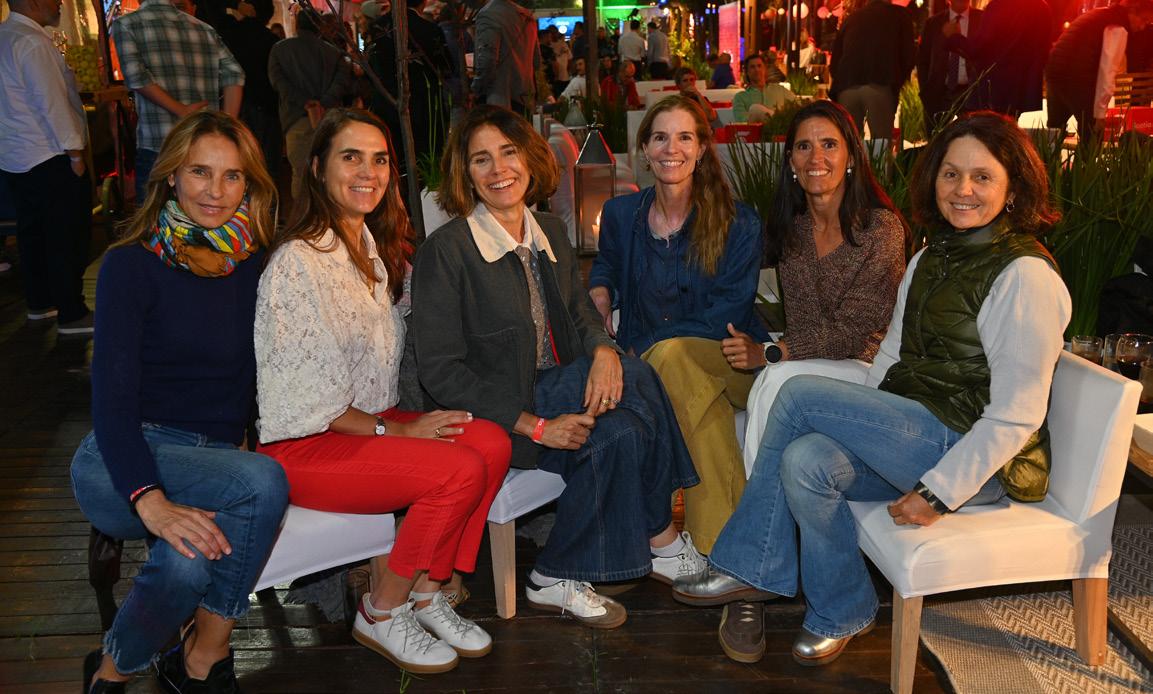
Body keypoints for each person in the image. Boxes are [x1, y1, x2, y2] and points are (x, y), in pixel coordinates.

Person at [673, 111, 1071, 669]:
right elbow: (890, 359)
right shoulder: (931, 258)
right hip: (912, 431)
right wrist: (863, 426)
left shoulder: (1024, 276)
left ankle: (753, 565)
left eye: (982, 177)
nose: (963, 189)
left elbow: (1015, 417)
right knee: (806, 459)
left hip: (973, 461)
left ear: (1014, 188)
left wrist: (937, 494)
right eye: (951, 174)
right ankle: (842, 610)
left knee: (796, 392)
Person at [411, 105, 702, 630]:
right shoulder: (447, 251)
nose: (499, 169)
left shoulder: (547, 230)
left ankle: (551, 576)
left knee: (619, 433)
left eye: (509, 152)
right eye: (481, 159)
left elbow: (581, 312)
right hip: (499, 414)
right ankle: (661, 535)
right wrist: (534, 425)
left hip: (558, 388)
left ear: (529, 158)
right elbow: (441, 373)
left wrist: (604, 351)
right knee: (641, 374)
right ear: (466, 173)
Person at [254, 109, 511, 674]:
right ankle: (381, 610)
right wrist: (398, 429)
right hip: (306, 444)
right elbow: (313, 402)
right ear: (318, 168)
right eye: (351, 157)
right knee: (457, 470)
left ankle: (427, 593)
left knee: (490, 441)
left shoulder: (371, 246)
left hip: (369, 422)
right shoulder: (298, 262)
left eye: (379, 160)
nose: (367, 172)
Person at [70, 111, 288, 693]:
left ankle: (120, 671)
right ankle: (204, 658)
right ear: (170, 175)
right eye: (199, 172)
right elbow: (111, 403)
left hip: (213, 465)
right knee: (264, 481)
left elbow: (256, 379)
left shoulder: (255, 265)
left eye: (232, 176)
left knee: (188, 562)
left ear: (249, 185)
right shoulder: (130, 264)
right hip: (120, 459)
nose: (216, 191)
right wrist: (151, 500)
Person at [588, 94, 765, 566]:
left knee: (671, 358)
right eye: (660, 138)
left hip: (731, 361)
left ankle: (648, 529)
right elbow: (606, 263)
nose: (672, 149)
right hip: (668, 376)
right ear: (645, 149)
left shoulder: (738, 222)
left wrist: (641, 350)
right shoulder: (621, 216)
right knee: (693, 399)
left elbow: (724, 316)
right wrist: (601, 289)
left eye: (685, 137)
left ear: (702, 149)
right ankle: (724, 554)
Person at [0, 0, 94, 334]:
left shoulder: (6, 36)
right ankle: (71, 312)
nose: (59, 4)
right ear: (35, 2)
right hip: (48, 152)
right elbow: (52, 103)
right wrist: (75, 153)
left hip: (16, 154)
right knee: (65, 235)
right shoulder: (32, 42)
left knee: (33, 233)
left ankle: (40, 303)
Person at [110, 0, 245, 203]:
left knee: (155, 216)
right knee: (204, 212)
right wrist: (225, 125)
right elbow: (235, 74)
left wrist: (180, 110)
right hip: (203, 142)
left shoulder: (126, 24)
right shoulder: (203, 28)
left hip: (159, 145)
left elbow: (136, 77)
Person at [268, 10, 353, 204]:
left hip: (295, 119)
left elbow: (278, 82)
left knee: (300, 173)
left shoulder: (280, 50)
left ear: (297, 25)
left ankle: (301, 216)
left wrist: (304, 101)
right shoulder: (334, 53)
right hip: (328, 118)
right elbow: (341, 83)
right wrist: (323, 102)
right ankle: (328, 215)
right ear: (320, 26)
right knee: (329, 171)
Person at [1045, 0, 1153, 140]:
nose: (1142, 26)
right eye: (1144, 20)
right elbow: (1107, 72)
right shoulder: (1117, 26)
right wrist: (1100, 115)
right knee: (1092, 135)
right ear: (1132, 11)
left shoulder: (1099, 15)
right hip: (1078, 77)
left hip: (1054, 72)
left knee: (1054, 133)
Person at [942, 0, 1053, 117]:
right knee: (1008, 126)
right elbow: (1044, 52)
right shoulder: (1041, 7)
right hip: (1022, 90)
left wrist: (954, 36)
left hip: (993, 90)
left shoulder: (999, 6)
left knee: (985, 126)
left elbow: (977, 49)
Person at [830, 0, 916, 137]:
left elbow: (835, 60)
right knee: (879, 142)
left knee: (850, 140)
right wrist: (898, 83)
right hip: (880, 82)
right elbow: (908, 55)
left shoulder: (852, 18)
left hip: (846, 85)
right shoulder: (899, 15)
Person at [918, 0, 984, 135]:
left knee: (973, 138)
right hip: (940, 94)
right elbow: (922, 60)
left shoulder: (982, 19)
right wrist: (926, 89)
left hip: (972, 94)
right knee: (938, 140)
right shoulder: (933, 23)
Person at [471, 0, 541, 114]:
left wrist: (476, 88)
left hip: (499, 98)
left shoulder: (488, 14)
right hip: (525, 98)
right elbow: (536, 62)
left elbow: (487, 60)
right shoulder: (527, 17)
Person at [732, 54, 796, 123]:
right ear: (747, 72)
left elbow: (798, 105)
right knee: (756, 109)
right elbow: (742, 121)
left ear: (765, 69)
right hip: (756, 128)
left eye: (759, 66)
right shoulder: (740, 97)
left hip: (780, 127)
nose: (757, 69)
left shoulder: (780, 89)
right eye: (752, 67)